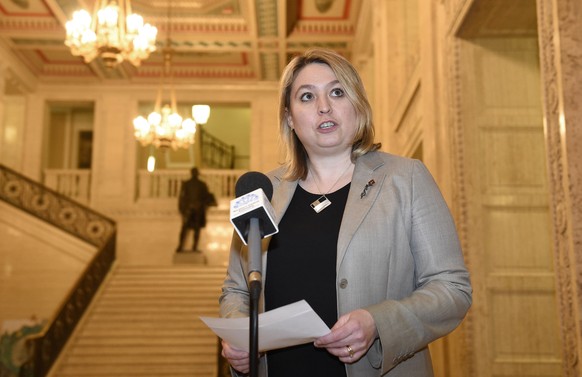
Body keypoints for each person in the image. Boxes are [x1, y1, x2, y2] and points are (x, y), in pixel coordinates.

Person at [219, 48, 472, 377]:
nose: (324, 106)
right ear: (290, 118)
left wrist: (378, 323)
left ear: (358, 105)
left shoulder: (405, 178)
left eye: (337, 92)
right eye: (307, 96)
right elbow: (236, 290)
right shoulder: (263, 191)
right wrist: (239, 337)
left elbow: (452, 288)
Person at [176, 167, 215, 252]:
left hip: (196, 210)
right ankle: (182, 246)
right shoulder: (188, 184)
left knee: (194, 229)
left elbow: (205, 197)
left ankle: (192, 247)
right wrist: (182, 209)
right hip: (191, 209)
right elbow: (182, 197)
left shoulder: (201, 184)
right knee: (186, 228)